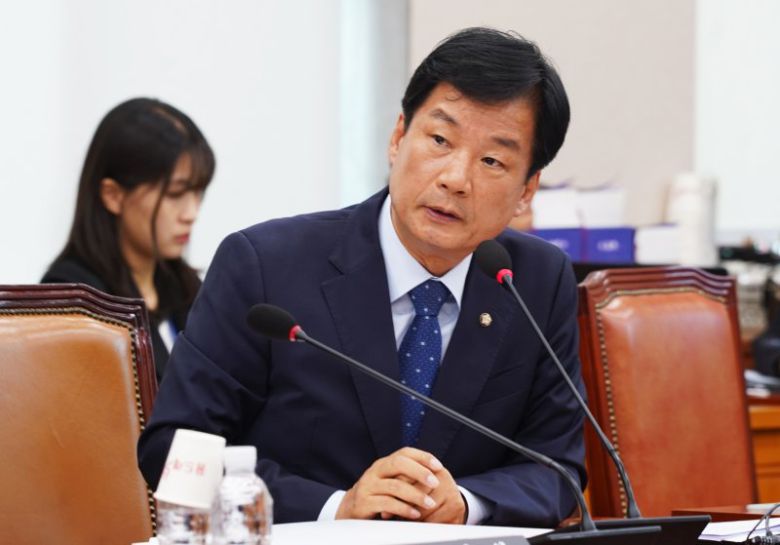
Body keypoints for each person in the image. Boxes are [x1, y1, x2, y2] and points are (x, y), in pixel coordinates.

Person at [138, 27, 585, 527]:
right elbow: (172, 450)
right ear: (398, 137)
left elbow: (558, 469)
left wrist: (464, 503)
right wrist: (338, 509)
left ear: (527, 190)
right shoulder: (263, 265)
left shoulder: (535, 282)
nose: (456, 179)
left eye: (492, 161)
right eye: (440, 140)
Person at [42, 98, 216, 381]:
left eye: (198, 192)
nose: (191, 213)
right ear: (113, 195)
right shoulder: (74, 301)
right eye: (175, 194)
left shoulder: (184, 286)